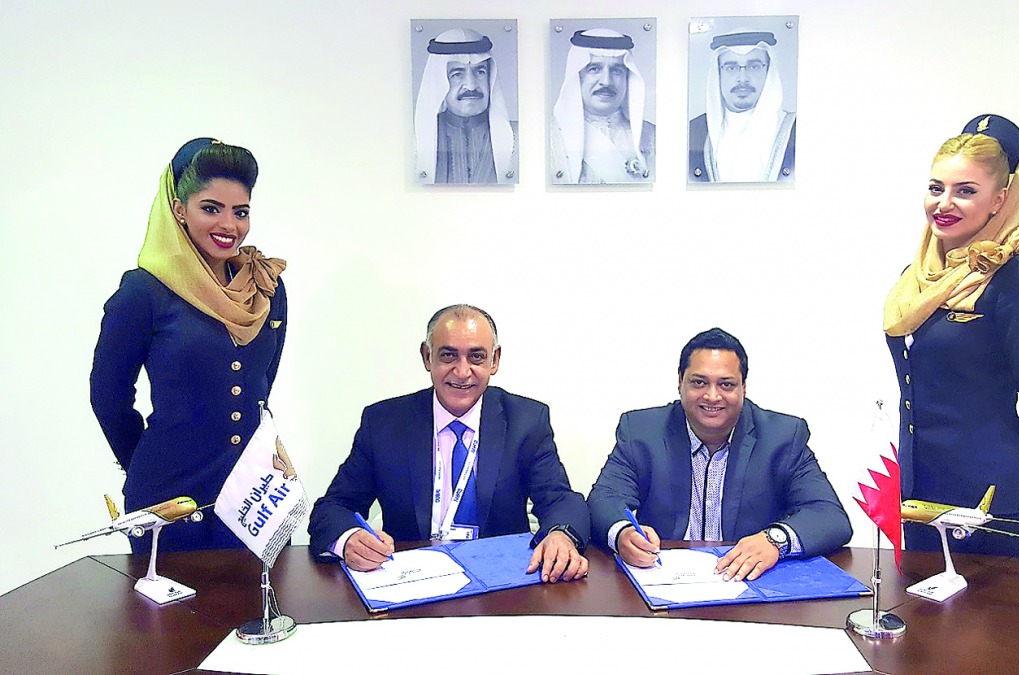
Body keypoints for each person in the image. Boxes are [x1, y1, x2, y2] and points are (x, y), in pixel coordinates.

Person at [882, 114, 1019, 568]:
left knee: (997, 637)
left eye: (965, 191)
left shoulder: (1017, 279)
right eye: (936, 188)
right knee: (923, 632)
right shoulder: (918, 280)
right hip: (919, 497)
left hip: (991, 505)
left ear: (999, 200)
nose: (943, 203)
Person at [90, 138, 287, 554]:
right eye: (211, 208)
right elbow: (108, 396)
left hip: (257, 494)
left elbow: (261, 383)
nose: (229, 225)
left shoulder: (265, 286)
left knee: (262, 611)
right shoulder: (144, 292)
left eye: (241, 211)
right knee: (170, 619)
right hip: (170, 498)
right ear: (178, 209)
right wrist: (146, 465)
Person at [308, 305, 589, 583]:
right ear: (427, 356)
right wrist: (349, 539)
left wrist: (560, 534)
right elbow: (332, 508)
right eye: (448, 356)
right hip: (411, 584)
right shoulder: (383, 423)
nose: (462, 371)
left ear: (495, 360)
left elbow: (561, 500)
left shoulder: (526, 421)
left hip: (500, 586)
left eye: (476, 357)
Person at [587, 328, 852, 582]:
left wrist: (775, 540)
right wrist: (623, 533)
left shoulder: (782, 437)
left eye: (726, 384)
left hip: (747, 588)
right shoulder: (642, 432)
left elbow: (829, 516)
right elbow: (604, 499)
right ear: (680, 382)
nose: (712, 396)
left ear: (743, 387)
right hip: (663, 585)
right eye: (699, 382)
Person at [688, 30, 796, 183]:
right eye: (731, 68)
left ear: (768, 71)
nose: (743, 78)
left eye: (754, 66)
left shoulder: (798, 130)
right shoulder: (693, 132)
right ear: (718, 74)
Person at [549, 28, 655, 184]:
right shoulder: (548, 137)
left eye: (616, 70)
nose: (606, 81)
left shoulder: (653, 136)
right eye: (594, 69)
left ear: (628, 78)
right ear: (577, 77)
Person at [414, 28, 518, 184]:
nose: (471, 85)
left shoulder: (519, 139)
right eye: (457, 74)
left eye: (480, 72)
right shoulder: (414, 141)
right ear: (439, 82)